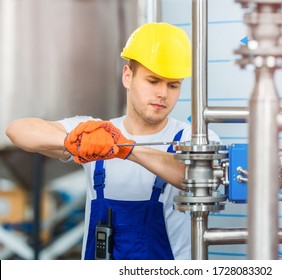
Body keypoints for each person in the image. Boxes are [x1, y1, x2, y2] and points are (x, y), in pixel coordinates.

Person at [6, 22, 220, 260]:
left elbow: (196, 179)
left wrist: (126, 148)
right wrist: (74, 141)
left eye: (173, 85)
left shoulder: (196, 138)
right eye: (153, 81)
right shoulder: (95, 130)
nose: (163, 94)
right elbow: (18, 130)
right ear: (127, 77)